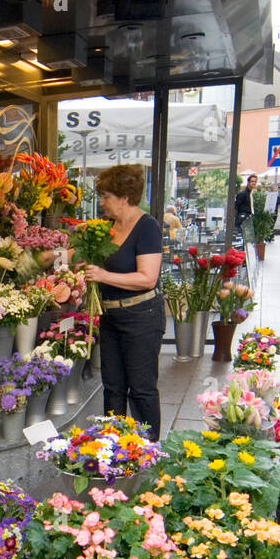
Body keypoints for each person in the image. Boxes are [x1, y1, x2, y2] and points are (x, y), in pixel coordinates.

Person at [82, 163, 165, 440]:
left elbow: (147, 278)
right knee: (113, 387)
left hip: (141, 315)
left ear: (125, 197)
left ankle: (148, 450)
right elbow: (81, 250)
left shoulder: (147, 227)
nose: (102, 203)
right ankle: (113, 446)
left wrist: (104, 275)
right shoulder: (107, 227)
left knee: (141, 389)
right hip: (111, 317)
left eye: (106, 197)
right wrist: (49, 256)